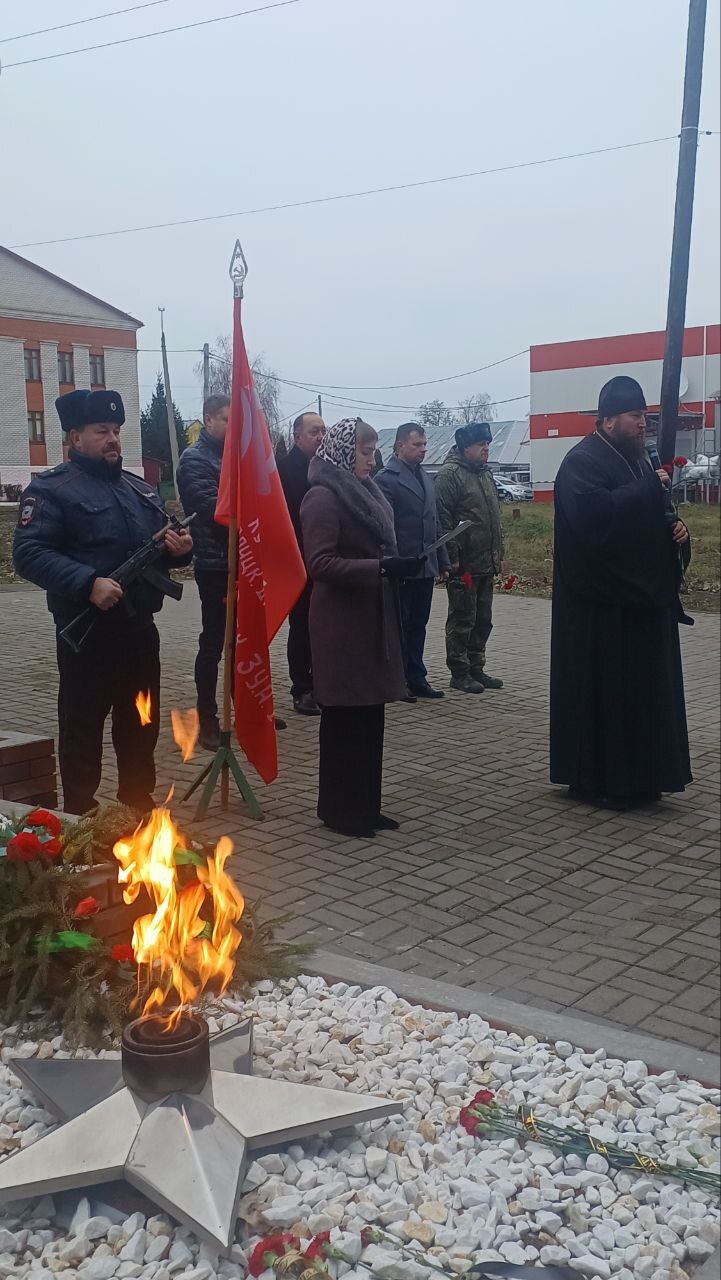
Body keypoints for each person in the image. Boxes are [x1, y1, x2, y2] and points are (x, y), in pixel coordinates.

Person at [12, 389, 193, 815]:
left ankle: (137, 804)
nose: (112, 439)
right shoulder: (51, 490)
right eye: (101, 431)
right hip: (87, 634)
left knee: (141, 722)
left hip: (139, 632)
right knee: (83, 728)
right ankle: (80, 813)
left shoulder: (138, 489)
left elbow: (162, 545)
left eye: (115, 430)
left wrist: (180, 550)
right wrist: (88, 583)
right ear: (75, 437)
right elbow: (29, 553)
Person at [551, 375, 692, 808]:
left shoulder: (639, 461)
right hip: (599, 609)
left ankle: (645, 777)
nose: (643, 424)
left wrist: (675, 532)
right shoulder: (580, 462)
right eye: (635, 416)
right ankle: (600, 781)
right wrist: (648, 490)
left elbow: (647, 514)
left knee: (643, 694)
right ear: (608, 420)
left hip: (640, 600)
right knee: (608, 695)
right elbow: (593, 520)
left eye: (645, 416)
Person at [300, 418, 417, 838]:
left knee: (370, 714)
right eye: (365, 452)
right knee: (344, 719)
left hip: (370, 617)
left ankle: (367, 805)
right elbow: (320, 564)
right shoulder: (322, 497)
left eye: (373, 452)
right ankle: (338, 810)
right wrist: (381, 567)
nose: (372, 460)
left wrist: (396, 566)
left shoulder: (365, 491)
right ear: (345, 452)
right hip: (340, 624)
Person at [177, 394, 286, 748]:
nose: (233, 427)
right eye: (227, 420)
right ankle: (207, 717)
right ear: (208, 419)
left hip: (246, 561)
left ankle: (247, 710)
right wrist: (252, 515)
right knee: (214, 643)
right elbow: (214, 510)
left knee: (245, 641)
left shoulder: (239, 457)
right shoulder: (194, 460)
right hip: (216, 564)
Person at [376, 422, 449, 700]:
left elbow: (434, 522)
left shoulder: (426, 477)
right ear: (400, 446)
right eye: (417, 444)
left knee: (419, 624)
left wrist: (443, 560)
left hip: (425, 565)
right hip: (403, 566)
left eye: (424, 444)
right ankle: (398, 679)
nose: (423, 449)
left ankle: (417, 676)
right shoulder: (387, 479)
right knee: (401, 626)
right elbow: (385, 526)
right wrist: (392, 561)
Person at [435, 421, 504, 693]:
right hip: (463, 563)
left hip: (485, 561)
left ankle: (477, 667)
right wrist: (451, 557)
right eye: (480, 444)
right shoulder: (449, 475)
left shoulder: (485, 473)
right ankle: (459, 671)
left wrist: (498, 554)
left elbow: (493, 518)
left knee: (483, 620)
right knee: (463, 618)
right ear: (465, 447)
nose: (486, 449)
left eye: (487, 444)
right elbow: (442, 519)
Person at [277, 411, 326, 715]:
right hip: (297, 560)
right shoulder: (283, 470)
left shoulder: (326, 467)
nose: (320, 437)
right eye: (313, 432)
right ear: (297, 437)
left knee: (322, 625)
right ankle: (302, 688)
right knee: (301, 625)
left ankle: (322, 682)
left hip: (325, 558)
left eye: (323, 431)